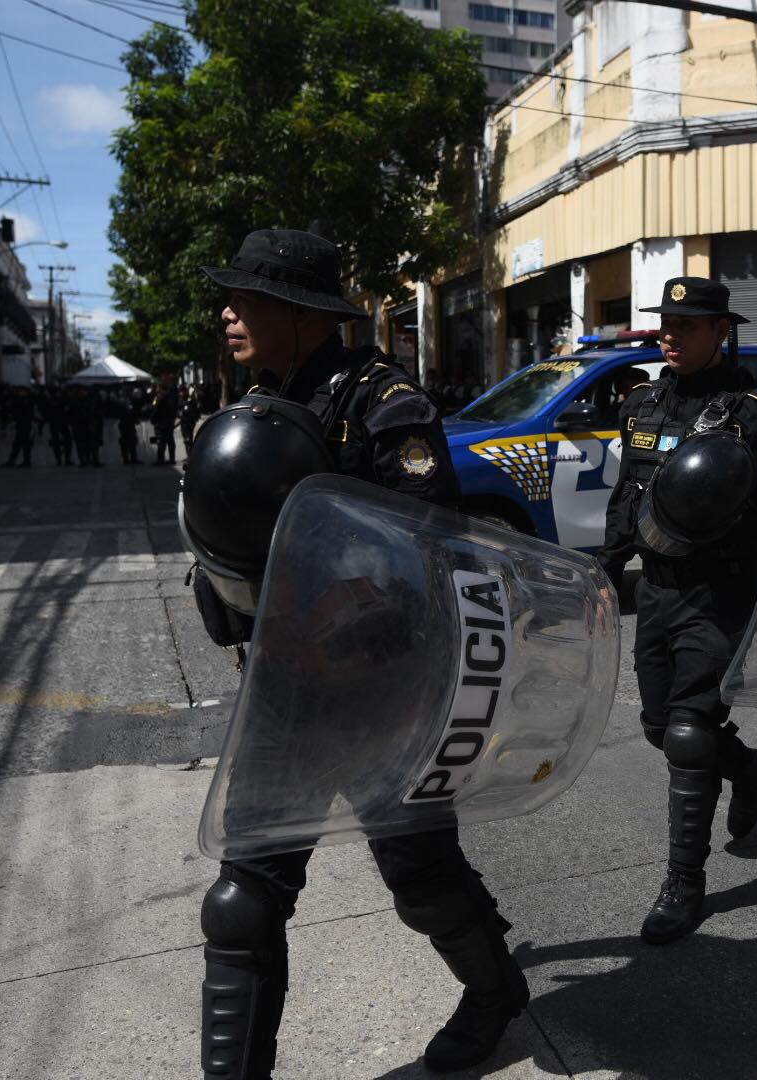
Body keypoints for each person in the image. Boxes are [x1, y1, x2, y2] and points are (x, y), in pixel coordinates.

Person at [187, 228, 526, 1077]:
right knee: (241, 903)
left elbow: (427, 544)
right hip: (283, 688)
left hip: (382, 691)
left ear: (299, 313)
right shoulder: (257, 400)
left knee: (420, 877)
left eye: (247, 298)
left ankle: (494, 993)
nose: (228, 312)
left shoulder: (386, 405)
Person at [598, 276, 757, 945]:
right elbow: (630, 492)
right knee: (658, 725)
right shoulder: (642, 402)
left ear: (720, 330)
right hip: (659, 588)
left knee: (688, 731)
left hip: (720, 590)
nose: (670, 335)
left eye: (687, 325)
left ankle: (684, 880)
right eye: (665, 324)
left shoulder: (753, 409)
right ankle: (749, 767)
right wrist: (609, 564)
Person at [2, 386, 36, 468]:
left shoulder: (26, 400)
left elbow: (24, 412)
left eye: (21, 391)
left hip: (25, 424)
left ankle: (24, 461)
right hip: (21, 424)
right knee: (19, 443)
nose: (19, 392)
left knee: (24, 444)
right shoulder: (21, 400)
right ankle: (14, 461)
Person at [152, 374, 180, 465]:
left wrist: (153, 419)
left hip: (161, 422)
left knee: (161, 441)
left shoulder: (160, 397)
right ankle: (172, 459)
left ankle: (161, 460)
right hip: (169, 421)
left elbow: (156, 410)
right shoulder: (170, 395)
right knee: (169, 440)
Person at [180, 387, 202, 452]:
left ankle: (190, 457)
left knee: (188, 440)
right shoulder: (184, 400)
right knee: (188, 440)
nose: (181, 393)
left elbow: (190, 412)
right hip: (186, 423)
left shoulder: (190, 401)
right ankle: (190, 456)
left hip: (188, 423)